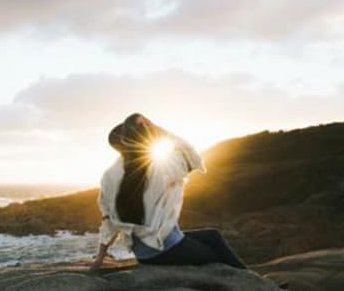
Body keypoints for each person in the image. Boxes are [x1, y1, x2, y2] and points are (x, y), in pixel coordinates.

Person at [89, 112, 248, 271]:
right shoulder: (160, 166)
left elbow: (108, 221)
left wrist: (99, 259)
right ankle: (248, 279)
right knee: (216, 256)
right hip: (166, 250)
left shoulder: (109, 176)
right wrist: (159, 130)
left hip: (144, 254)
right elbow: (192, 157)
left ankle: (248, 276)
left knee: (213, 236)